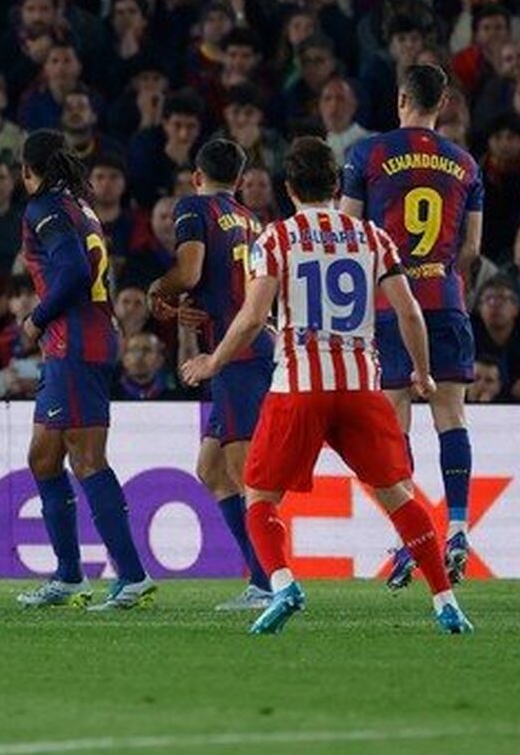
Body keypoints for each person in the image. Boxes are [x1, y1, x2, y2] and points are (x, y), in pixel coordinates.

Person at [182, 137, 473, 635]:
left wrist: (212, 361)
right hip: (362, 386)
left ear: (288, 188)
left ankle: (283, 584)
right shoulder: (373, 238)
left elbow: (253, 318)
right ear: (338, 186)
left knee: (260, 497)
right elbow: (408, 311)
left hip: (299, 385)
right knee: (399, 497)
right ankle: (446, 602)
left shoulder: (274, 239)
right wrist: (422, 372)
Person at [340, 64, 481, 588]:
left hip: (388, 306)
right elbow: (471, 248)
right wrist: (440, 274)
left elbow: (349, 236)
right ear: (441, 103)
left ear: (401, 98)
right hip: (444, 301)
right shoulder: (465, 163)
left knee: (394, 423)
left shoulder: (368, 155)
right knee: (451, 415)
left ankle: (408, 540)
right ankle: (460, 529)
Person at [13, 130, 155, 611]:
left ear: (29, 170)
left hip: (76, 342)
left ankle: (132, 576)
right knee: (43, 458)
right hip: (83, 340)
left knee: (87, 459)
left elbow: (73, 272)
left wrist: (36, 317)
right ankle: (70, 576)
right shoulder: (80, 207)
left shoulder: (43, 209)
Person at [148, 139, 274, 610]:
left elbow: (192, 269)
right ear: (240, 181)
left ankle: (270, 583)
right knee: (212, 469)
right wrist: (194, 306)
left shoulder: (193, 207)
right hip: (241, 347)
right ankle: (261, 579)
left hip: (236, 354)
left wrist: (157, 290)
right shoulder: (251, 220)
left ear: (196, 176)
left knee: (247, 474)